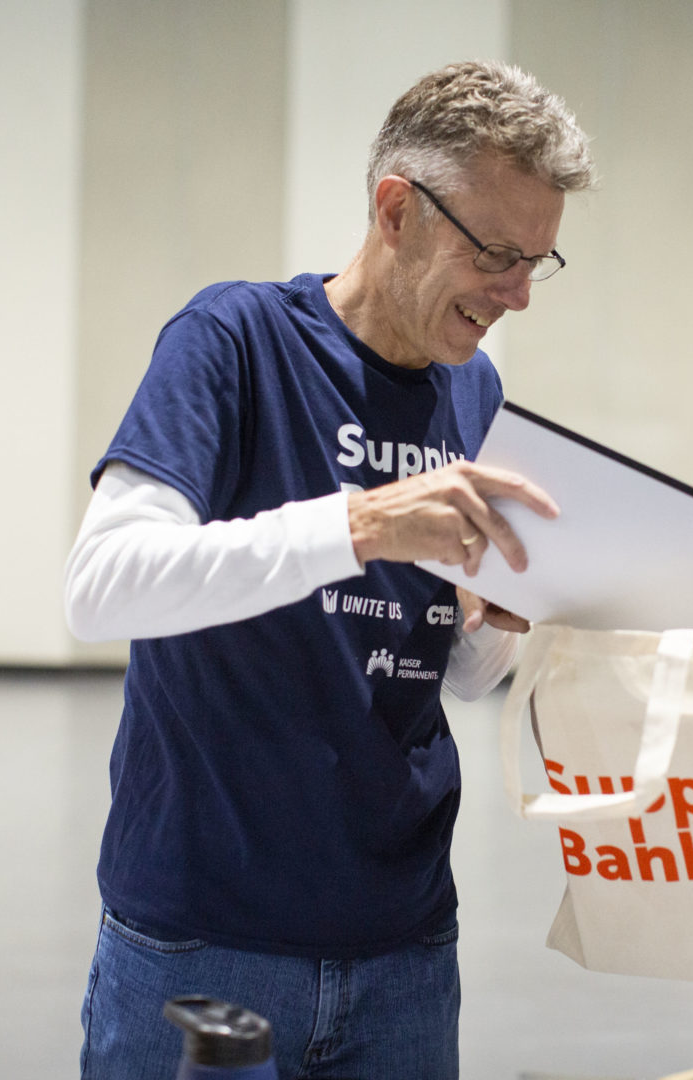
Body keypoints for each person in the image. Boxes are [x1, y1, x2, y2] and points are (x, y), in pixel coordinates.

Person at [63, 60, 595, 1079]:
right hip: (203, 935)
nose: (518, 294)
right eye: (496, 252)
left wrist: (491, 622)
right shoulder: (233, 339)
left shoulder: (471, 390)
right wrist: (358, 525)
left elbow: (452, 675)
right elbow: (104, 587)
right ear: (397, 208)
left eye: (539, 262)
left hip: (401, 949)